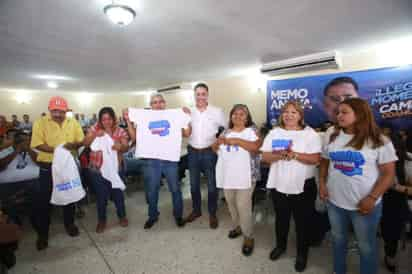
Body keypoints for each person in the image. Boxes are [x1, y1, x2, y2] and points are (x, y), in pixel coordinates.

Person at [319, 98, 397, 274]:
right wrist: (322, 183)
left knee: (366, 246)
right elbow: (324, 162)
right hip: (335, 202)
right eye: (338, 112)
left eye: (344, 112)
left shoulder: (379, 140)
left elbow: (388, 174)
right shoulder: (332, 135)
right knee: (338, 240)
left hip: (364, 206)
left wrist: (372, 198)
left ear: (360, 114)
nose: (339, 115)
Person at [261, 100, 321, 272]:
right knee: (281, 219)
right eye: (286, 112)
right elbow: (265, 157)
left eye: (294, 112)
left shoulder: (310, 134)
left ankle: (302, 254)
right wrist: (279, 155)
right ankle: (281, 246)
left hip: (303, 186)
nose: (289, 115)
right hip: (279, 184)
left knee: (303, 223)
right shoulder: (274, 133)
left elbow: (315, 159)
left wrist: (293, 154)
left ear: (300, 115)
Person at [125, 94, 191, 229]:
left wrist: (187, 119)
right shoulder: (145, 117)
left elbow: (187, 133)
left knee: (175, 189)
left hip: (170, 160)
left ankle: (178, 215)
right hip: (152, 161)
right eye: (154, 102)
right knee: (152, 191)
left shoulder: (174, 115)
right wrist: (128, 120)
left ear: (165, 103)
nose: (158, 104)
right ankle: (152, 216)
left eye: (160, 101)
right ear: (151, 105)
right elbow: (134, 137)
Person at [30, 96, 85, 250]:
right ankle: (43, 234)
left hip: (67, 167)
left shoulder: (72, 122)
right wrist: (59, 150)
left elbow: (80, 141)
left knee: (68, 196)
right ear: (50, 110)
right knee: (44, 202)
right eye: (54, 111)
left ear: (65, 111)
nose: (58, 114)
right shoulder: (40, 123)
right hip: (48, 168)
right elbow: (37, 144)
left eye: (61, 111)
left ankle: (69, 224)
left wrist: (73, 145)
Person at [213, 104, 261, 256]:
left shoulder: (252, 131)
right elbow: (215, 149)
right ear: (231, 116)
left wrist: (237, 141)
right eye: (235, 113)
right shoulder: (225, 132)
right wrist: (217, 144)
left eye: (242, 114)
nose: (238, 116)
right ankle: (238, 226)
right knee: (231, 204)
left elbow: (256, 148)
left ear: (247, 117)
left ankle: (248, 236)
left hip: (246, 176)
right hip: (228, 175)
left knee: (243, 206)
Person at [183, 83, 226, 229]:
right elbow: (184, 131)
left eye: (203, 94)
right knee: (194, 185)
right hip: (193, 152)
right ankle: (196, 211)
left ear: (207, 95)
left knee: (212, 186)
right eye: (198, 94)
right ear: (194, 95)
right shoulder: (189, 111)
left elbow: (225, 130)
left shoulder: (217, 111)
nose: (200, 96)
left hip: (210, 152)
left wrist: (218, 143)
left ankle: (212, 213)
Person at [83, 107, 129, 233]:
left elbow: (125, 146)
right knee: (101, 197)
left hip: (115, 169)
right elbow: (85, 143)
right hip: (97, 170)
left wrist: (120, 146)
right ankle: (101, 220)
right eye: (103, 119)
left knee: (118, 195)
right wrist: (93, 135)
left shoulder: (120, 131)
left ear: (113, 119)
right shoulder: (94, 129)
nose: (106, 122)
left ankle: (122, 216)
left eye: (109, 119)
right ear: (100, 120)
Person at [380, 132, 411, 273]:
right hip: (375, 197)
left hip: (396, 199)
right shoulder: (373, 158)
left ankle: (390, 255)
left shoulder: (408, 161)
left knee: (392, 229)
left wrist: (399, 187)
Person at [0, 131, 38, 225]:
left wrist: (28, 150)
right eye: (21, 140)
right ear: (14, 141)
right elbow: (1, 166)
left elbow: (41, 162)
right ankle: (14, 219)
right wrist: (16, 151)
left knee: (38, 191)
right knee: (9, 199)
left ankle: (35, 216)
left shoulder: (33, 150)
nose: (24, 142)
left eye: (27, 140)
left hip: (33, 182)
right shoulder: (5, 151)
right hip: (9, 185)